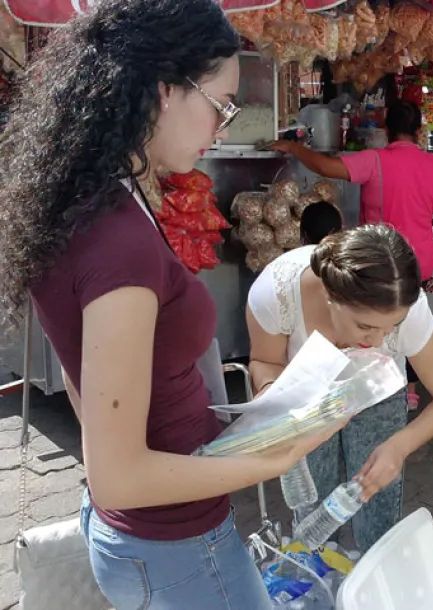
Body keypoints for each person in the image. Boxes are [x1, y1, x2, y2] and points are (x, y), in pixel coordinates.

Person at [0, 1, 341, 608]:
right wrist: (271, 459)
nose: (223, 128)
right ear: (163, 91)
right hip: (177, 545)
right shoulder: (118, 243)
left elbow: (88, 388)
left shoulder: (98, 200)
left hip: (148, 535)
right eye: (220, 105)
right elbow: (120, 474)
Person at [246, 224, 433, 552]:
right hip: (306, 394)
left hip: (377, 390)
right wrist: (273, 398)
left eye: (390, 328)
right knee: (312, 513)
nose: (377, 341)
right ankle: (317, 581)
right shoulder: (277, 290)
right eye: (365, 326)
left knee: (375, 509)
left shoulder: (408, 309)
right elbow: (265, 361)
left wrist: (399, 447)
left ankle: (372, 583)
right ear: (329, 296)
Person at [271, 100, 433, 410]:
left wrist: (294, 149)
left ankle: (367, 389)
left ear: (387, 131)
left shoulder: (375, 160)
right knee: (407, 325)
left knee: (367, 323)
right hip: (418, 263)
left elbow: (326, 167)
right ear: (418, 131)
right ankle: (408, 390)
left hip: (375, 262)